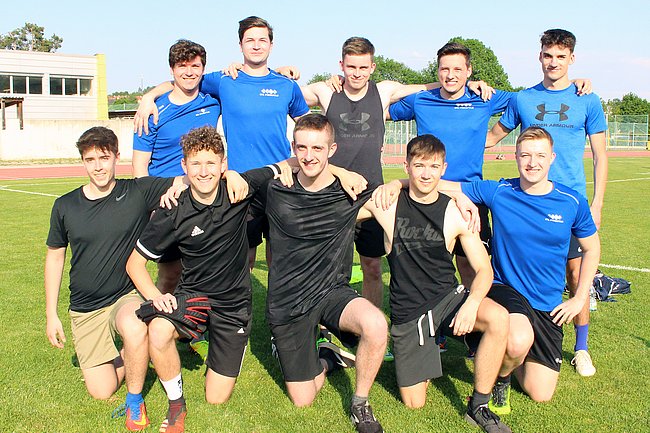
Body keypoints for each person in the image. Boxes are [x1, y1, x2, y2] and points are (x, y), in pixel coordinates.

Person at [126, 126, 291, 433]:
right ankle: (176, 404)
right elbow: (135, 264)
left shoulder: (240, 189)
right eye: (196, 163)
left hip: (233, 306)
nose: (204, 172)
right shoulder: (173, 209)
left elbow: (288, 164)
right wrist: (156, 296)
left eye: (211, 163)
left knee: (216, 398)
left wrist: (342, 173)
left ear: (223, 164)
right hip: (194, 297)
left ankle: (215, 340)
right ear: (184, 166)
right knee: (158, 331)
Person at [441, 126, 600, 413]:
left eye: (540, 155)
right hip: (506, 290)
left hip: (548, 304)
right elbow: (436, 183)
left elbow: (592, 249)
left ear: (552, 158)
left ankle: (499, 353)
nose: (532, 162)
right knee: (517, 341)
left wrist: (579, 299)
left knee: (540, 393)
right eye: (525, 155)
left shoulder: (572, 201)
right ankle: (501, 378)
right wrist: (397, 184)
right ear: (515, 157)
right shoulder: (500, 191)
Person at [362, 134, 511, 433]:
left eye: (433, 166)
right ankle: (425, 353)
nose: (426, 174)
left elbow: (484, 269)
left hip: (447, 300)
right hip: (409, 312)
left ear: (444, 169)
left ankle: (479, 406)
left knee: (498, 317)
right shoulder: (387, 204)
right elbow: (340, 212)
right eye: (419, 166)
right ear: (406, 167)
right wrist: (393, 185)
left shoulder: (456, 212)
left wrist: (471, 304)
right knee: (414, 403)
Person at [133, 16, 309, 270]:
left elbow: (307, 126)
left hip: (280, 180)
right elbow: (184, 79)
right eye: (250, 40)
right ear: (240, 45)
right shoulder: (224, 80)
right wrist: (149, 96)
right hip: (240, 184)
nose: (256, 45)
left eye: (262, 40)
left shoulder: (286, 85)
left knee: (280, 259)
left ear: (271, 45)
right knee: (242, 260)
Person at [485, 29, 607, 377]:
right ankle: (514, 338)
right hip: (529, 202)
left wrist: (597, 203)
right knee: (521, 273)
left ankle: (581, 348)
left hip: (571, 205)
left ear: (572, 59)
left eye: (560, 56)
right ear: (539, 57)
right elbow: (493, 137)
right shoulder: (523, 99)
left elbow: (600, 155)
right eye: (548, 55)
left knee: (576, 274)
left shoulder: (588, 99)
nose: (553, 63)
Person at [45, 126, 180, 431]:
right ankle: (137, 354)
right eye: (90, 159)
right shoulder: (65, 205)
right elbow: (54, 257)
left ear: (117, 157)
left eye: (104, 158)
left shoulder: (138, 192)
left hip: (124, 296)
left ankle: (135, 400)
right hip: (85, 306)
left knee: (134, 326)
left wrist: (228, 174)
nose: (98, 166)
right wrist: (51, 314)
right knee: (102, 390)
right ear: (83, 161)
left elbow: (188, 179)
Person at [264, 114, 387, 433]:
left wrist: (457, 195)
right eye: (302, 148)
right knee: (303, 399)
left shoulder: (350, 191)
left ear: (332, 149)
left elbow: (404, 189)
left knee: (376, 324)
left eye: (317, 148)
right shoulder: (275, 189)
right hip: (288, 302)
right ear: (293, 148)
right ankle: (328, 356)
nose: (309, 156)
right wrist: (179, 183)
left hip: (332, 293)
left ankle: (360, 403)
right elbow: (230, 184)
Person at [131, 41, 221, 363]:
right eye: (182, 66)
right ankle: (161, 326)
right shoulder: (153, 111)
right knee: (169, 274)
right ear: (172, 69)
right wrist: (155, 207)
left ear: (203, 69)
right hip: (167, 204)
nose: (189, 72)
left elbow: (249, 78)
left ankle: (197, 330)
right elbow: (140, 171)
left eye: (195, 66)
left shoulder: (213, 101)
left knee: (203, 271)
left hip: (203, 200)